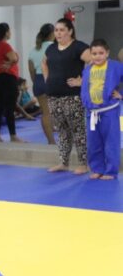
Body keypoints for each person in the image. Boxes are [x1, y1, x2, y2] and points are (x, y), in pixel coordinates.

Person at [42, 18, 91, 174]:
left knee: (77, 129)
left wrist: (81, 81)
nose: (58, 33)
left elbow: (95, 62)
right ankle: (63, 162)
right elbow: (44, 63)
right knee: (62, 130)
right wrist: (47, 78)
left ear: (70, 31)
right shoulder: (51, 49)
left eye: (62, 30)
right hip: (53, 95)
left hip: (72, 96)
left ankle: (83, 163)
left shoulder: (78, 47)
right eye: (56, 30)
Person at [80, 38, 123, 180]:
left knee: (111, 141)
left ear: (107, 53)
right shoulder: (87, 70)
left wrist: (120, 94)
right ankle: (97, 168)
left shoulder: (116, 67)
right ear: (90, 55)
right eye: (94, 53)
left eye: (101, 53)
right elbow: (85, 88)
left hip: (109, 110)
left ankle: (110, 171)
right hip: (91, 111)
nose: (97, 56)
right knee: (94, 142)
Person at [0, 22, 24, 143]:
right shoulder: (4, 45)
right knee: (9, 107)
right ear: (7, 32)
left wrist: (12, 61)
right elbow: (13, 58)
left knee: (0, 106)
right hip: (7, 78)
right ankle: (13, 136)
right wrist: (13, 61)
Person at [28, 23, 56, 144]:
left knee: (45, 113)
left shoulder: (34, 50)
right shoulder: (54, 47)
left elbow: (31, 70)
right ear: (52, 34)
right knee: (56, 111)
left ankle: (50, 140)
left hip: (38, 81)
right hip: (51, 80)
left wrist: (36, 83)